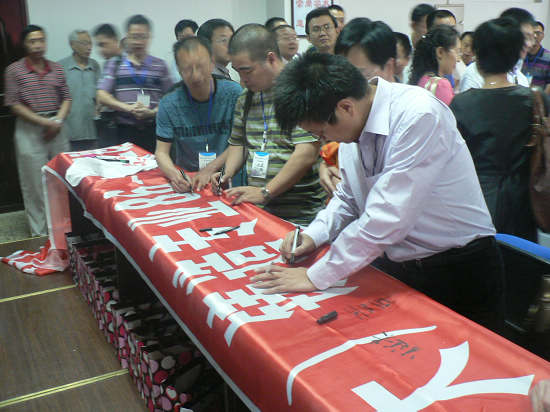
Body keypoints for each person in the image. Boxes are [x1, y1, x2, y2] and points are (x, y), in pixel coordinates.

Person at [253, 52, 503, 333]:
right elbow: (348, 197)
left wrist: (315, 276)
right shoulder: (355, 124)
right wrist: (314, 235)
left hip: (457, 269)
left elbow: (388, 216)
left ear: (346, 107)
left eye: (321, 132)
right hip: (398, 267)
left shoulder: (418, 115)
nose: (323, 141)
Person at [211, 24, 325, 225]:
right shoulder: (245, 98)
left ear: (271, 58)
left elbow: (306, 153)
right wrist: (227, 172)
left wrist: (266, 192)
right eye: (238, 72)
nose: (243, 79)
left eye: (247, 71)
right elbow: (239, 143)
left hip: (302, 215)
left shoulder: (301, 91)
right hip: (260, 211)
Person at [450, 17, 537, 242]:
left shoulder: (461, 104)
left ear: (478, 57)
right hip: (523, 201)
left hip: (474, 200)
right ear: (516, 56)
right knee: (522, 256)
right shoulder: (534, 101)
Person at [318, 18, 398, 197]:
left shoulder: (413, 117)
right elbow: (348, 198)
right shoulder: (352, 116)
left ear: (389, 67)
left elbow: (393, 204)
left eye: (359, 77)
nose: (347, 88)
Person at [4, 25, 71, 236]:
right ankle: (40, 234)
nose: (38, 45)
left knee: (62, 179)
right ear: (25, 44)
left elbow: (67, 98)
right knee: (33, 184)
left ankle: (64, 231)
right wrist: (45, 123)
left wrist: (57, 121)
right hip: (29, 130)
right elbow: (13, 104)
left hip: (57, 127)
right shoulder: (14, 70)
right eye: (32, 41)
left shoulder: (57, 68)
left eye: (41, 40)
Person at [155, 36, 242, 193]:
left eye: (201, 66)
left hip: (229, 178)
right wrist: (175, 175)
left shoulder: (234, 94)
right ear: (179, 70)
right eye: (187, 69)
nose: (195, 75)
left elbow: (241, 143)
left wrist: (210, 169)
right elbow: (161, 152)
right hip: (191, 183)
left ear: (212, 63)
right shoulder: (169, 103)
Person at [97, 14, 173, 153]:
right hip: (123, 131)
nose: (138, 41)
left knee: (154, 166)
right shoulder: (114, 64)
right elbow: (101, 95)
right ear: (127, 37)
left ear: (149, 37)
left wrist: (152, 112)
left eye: (143, 37)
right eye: (134, 37)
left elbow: (171, 98)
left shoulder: (160, 65)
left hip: (154, 131)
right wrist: (129, 108)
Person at [459, 7, 534, 92]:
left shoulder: (521, 78)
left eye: (531, 38)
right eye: (525, 37)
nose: (530, 44)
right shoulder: (474, 73)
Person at [59, 29, 100, 151]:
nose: (89, 47)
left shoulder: (95, 66)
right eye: (84, 43)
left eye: (90, 43)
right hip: (70, 132)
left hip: (93, 131)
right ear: (72, 45)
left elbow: (99, 94)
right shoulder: (61, 67)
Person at [409, 24, 459, 105]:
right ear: (440, 52)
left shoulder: (421, 79)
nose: (458, 59)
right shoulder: (440, 85)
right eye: (457, 52)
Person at [522, 21, 550, 92]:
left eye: (538, 33)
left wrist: (542, 98)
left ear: (542, 36)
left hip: (539, 97)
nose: (535, 36)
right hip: (520, 96)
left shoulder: (548, 57)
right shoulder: (521, 54)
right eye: (532, 33)